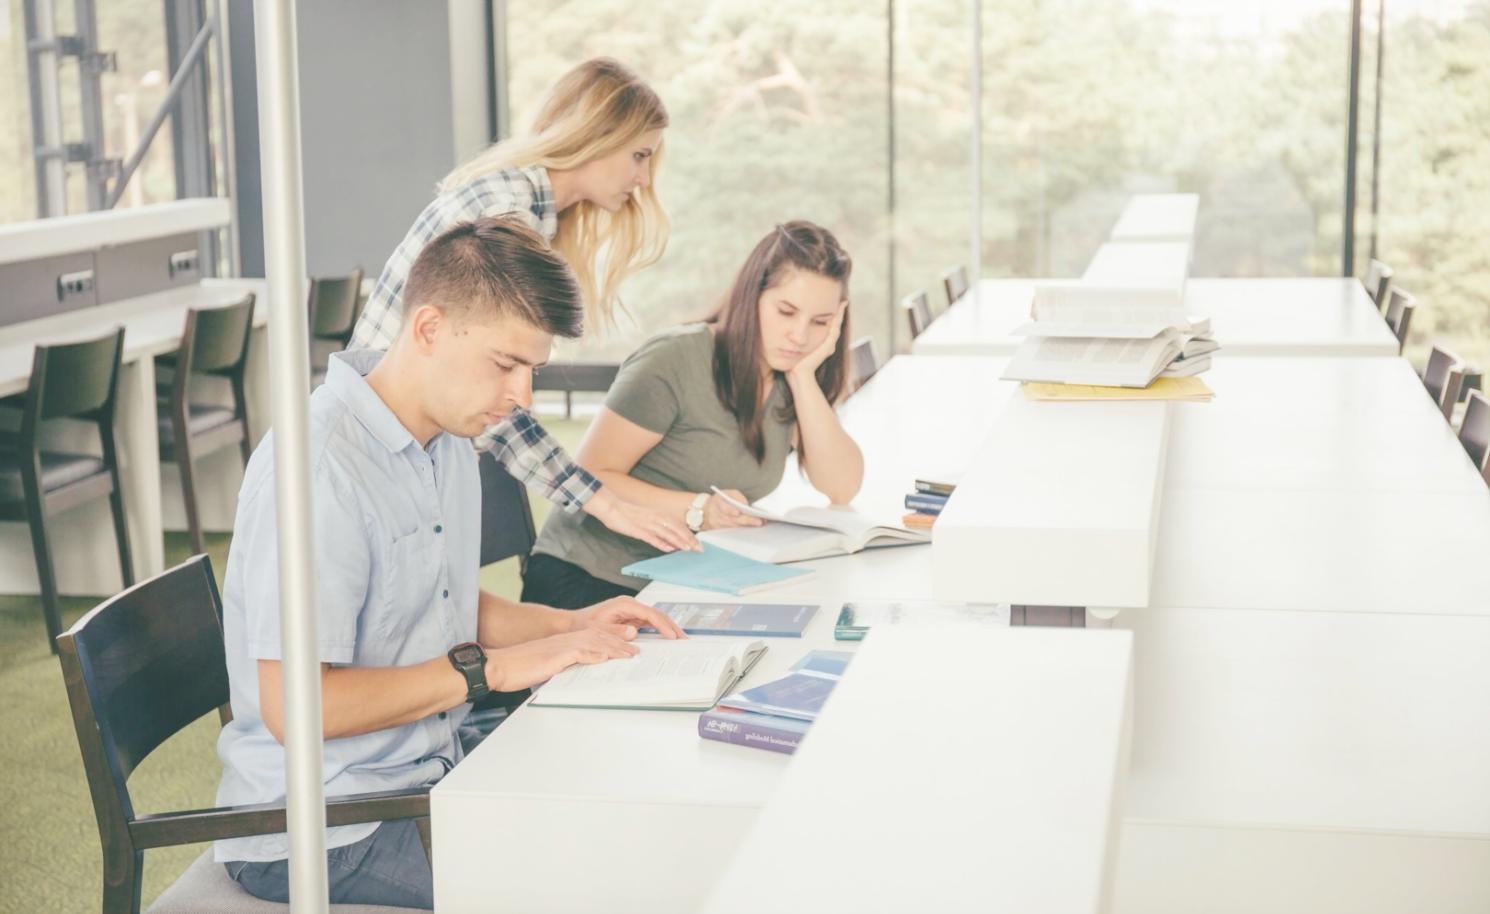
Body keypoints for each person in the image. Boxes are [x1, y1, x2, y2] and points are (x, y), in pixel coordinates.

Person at [215, 217, 685, 908]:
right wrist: (487, 671)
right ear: (429, 329)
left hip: (430, 768)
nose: (522, 396)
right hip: (325, 827)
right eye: (505, 364)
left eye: (533, 368)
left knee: (640, 809)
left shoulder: (445, 440)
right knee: (597, 882)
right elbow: (297, 708)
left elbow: (438, 597)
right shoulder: (321, 471)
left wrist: (570, 625)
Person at [351, 57, 699, 557]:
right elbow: (494, 394)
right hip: (383, 451)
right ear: (596, 137)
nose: (643, 179)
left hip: (410, 446)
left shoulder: (531, 210)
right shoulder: (506, 211)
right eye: (639, 155)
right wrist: (600, 500)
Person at [524, 220, 866, 607]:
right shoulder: (675, 359)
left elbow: (842, 487)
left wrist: (804, 376)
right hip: (590, 578)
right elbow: (587, 474)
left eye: (820, 322)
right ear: (751, 297)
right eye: (786, 312)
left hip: (688, 579)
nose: (800, 335)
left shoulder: (792, 377)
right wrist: (698, 509)